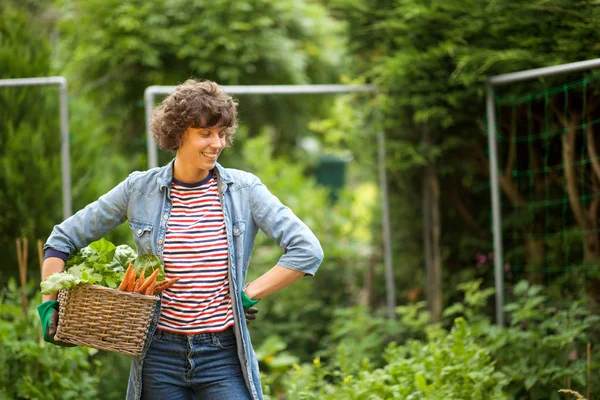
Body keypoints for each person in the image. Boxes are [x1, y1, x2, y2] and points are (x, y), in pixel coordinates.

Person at [38, 79, 324, 400]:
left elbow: (306, 250)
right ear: (178, 133)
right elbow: (62, 239)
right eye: (205, 133)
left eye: (221, 133)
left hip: (222, 354)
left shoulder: (244, 191)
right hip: (158, 355)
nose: (216, 143)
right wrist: (49, 304)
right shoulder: (139, 190)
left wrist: (247, 294)